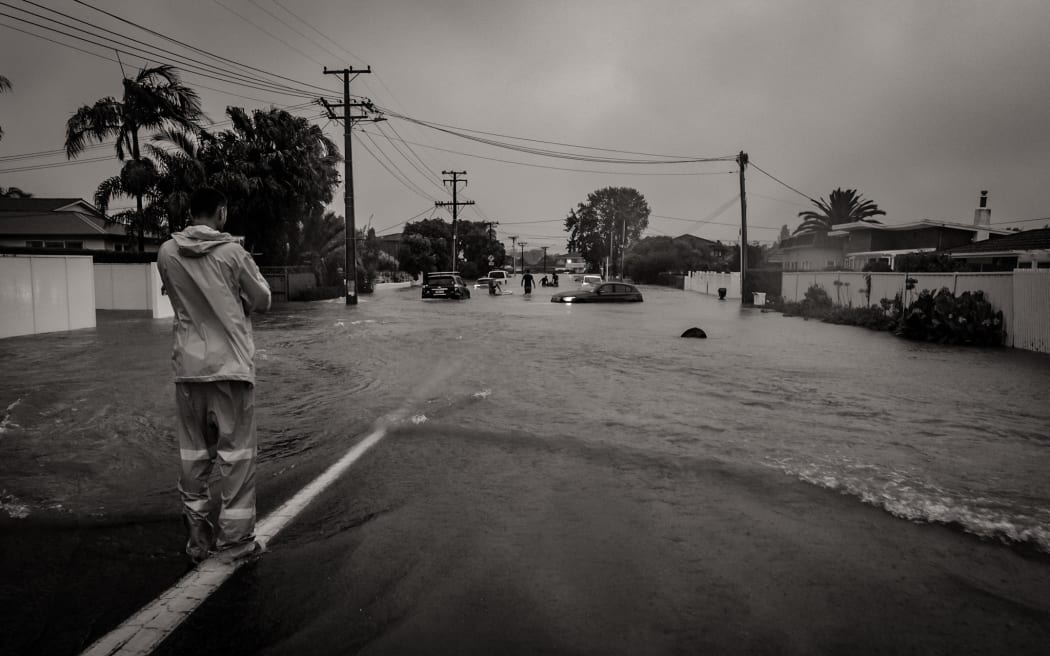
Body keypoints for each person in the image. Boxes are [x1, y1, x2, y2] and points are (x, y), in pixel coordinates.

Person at [156, 187, 272, 564]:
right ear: (221, 213)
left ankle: (198, 541)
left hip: (188, 370)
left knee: (193, 458)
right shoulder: (234, 254)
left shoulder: (167, 253)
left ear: (191, 212)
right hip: (231, 371)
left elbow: (181, 298)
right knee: (236, 459)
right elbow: (263, 300)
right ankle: (236, 543)